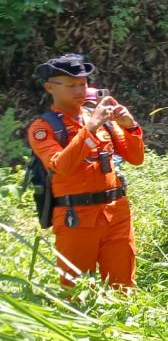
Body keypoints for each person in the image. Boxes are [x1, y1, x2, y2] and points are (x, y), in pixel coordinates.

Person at [27, 54, 145, 288]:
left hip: (117, 214)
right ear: (50, 87)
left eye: (83, 84)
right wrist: (91, 127)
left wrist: (130, 126)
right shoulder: (43, 128)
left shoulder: (105, 123)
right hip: (76, 218)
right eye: (71, 85)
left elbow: (136, 158)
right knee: (78, 290)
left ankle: (123, 326)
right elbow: (62, 166)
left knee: (123, 287)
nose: (80, 90)